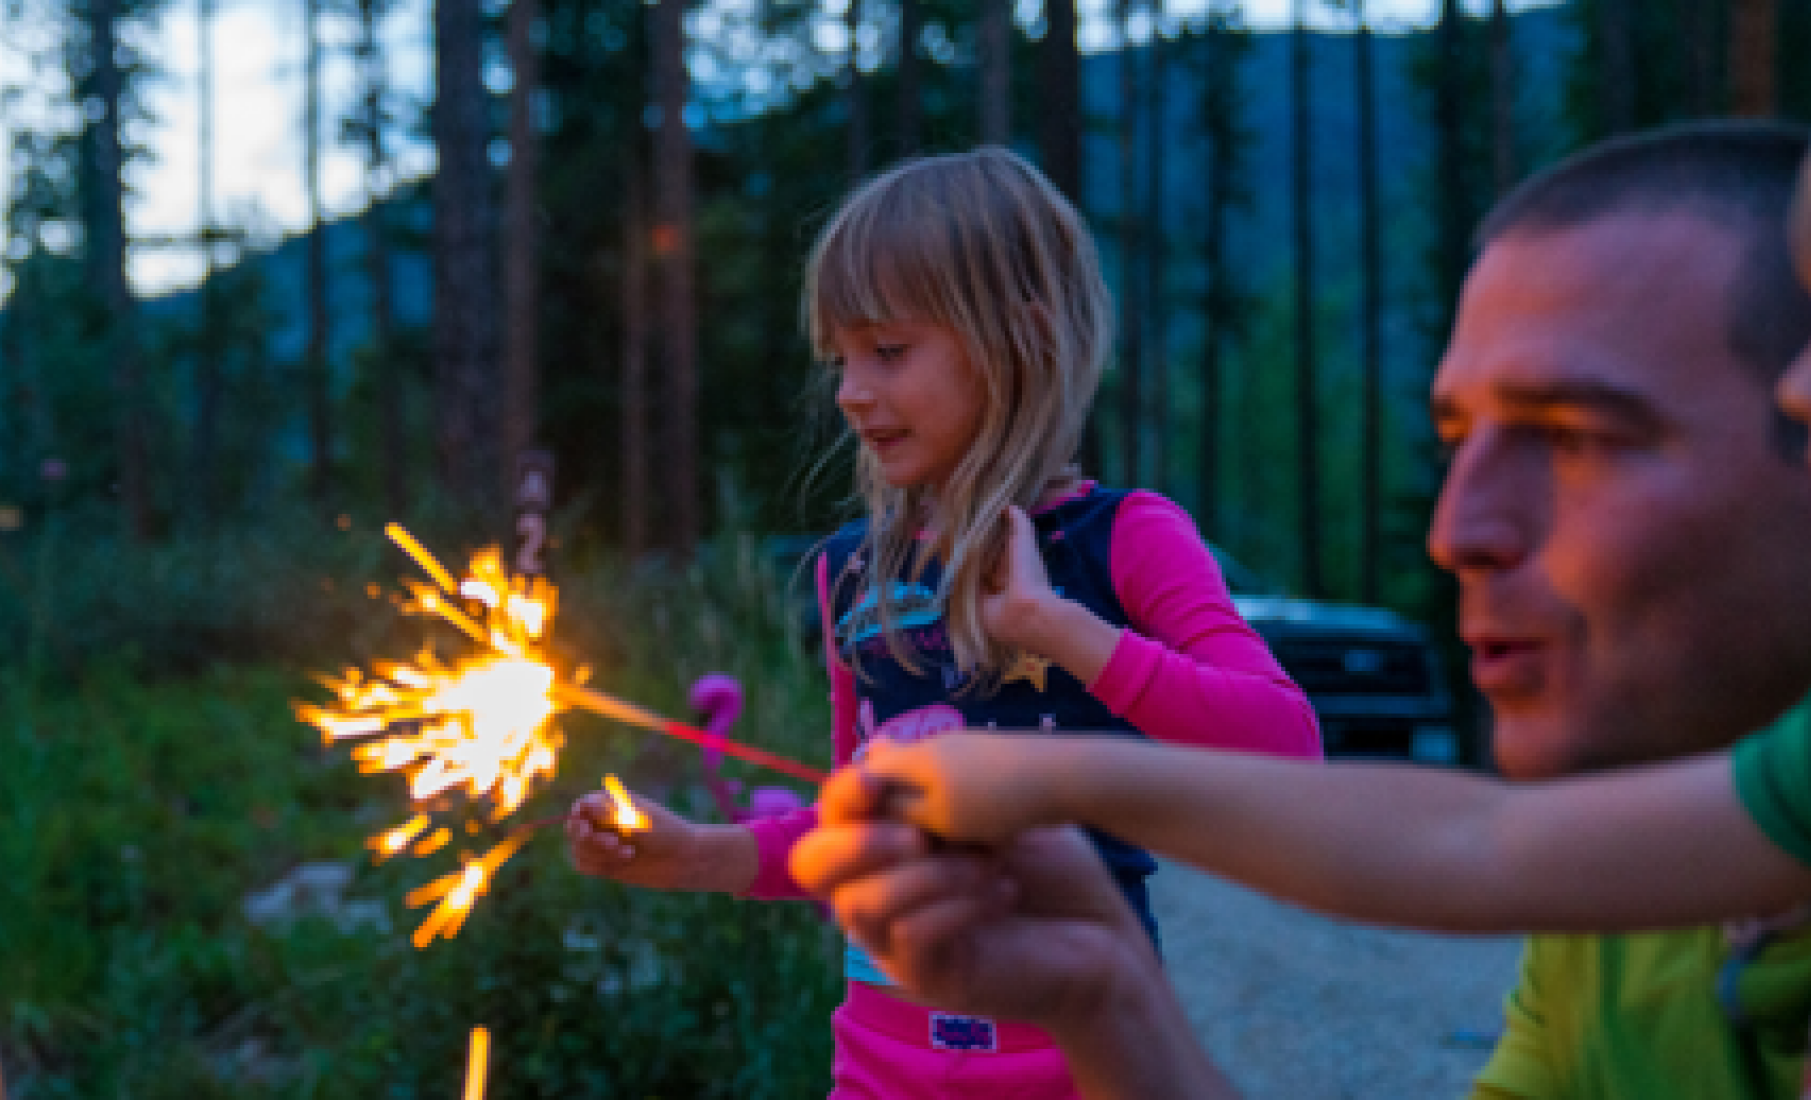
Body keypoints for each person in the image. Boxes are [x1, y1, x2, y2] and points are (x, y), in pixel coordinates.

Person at [799, 1, 1811, 1095]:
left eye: (1580, 435)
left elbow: (1333, 772)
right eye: (1455, 438)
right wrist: (1099, 992)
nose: (1454, 532)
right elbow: (1462, 848)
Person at [563, 146, 1322, 1098]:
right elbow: (850, 820)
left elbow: (1288, 748)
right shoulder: (851, 572)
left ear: (1021, 338)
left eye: (888, 350)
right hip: (879, 1069)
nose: (851, 391)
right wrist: (702, 855)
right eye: (840, 358)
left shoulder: (1127, 540)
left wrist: (1056, 627)